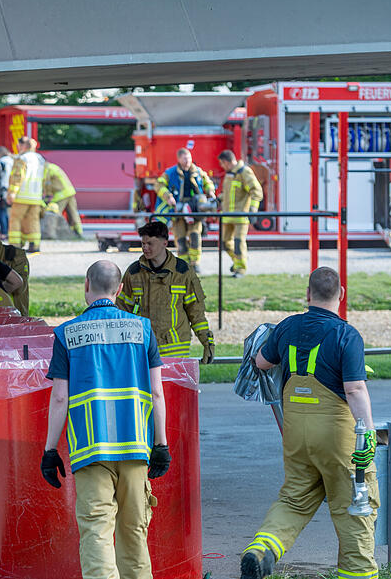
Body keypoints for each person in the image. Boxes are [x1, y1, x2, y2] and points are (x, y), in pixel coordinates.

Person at [239, 267, 377, 579]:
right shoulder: (347, 335)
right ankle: (358, 574)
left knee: (294, 499)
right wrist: (367, 433)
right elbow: (355, 389)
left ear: (307, 294)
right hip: (336, 436)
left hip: (296, 432)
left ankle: (261, 551)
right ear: (341, 295)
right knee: (354, 503)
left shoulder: (287, 327)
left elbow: (261, 361)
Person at [42, 260, 170, 579]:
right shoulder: (143, 329)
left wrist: (49, 451)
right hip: (136, 447)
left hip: (91, 450)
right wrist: (161, 444)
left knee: (97, 532)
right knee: (134, 534)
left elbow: (59, 397)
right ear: (120, 289)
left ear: (87, 284)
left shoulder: (67, 334)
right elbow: (156, 392)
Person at [116, 221, 214, 361]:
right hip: (143, 348)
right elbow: (122, 312)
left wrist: (207, 341)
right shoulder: (134, 273)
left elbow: (196, 312)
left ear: (164, 243)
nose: (145, 247)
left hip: (175, 349)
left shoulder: (182, 272)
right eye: (143, 243)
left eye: (150, 243)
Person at [154, 147, 215, 273]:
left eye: (189, 158)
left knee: (195, 236)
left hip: (194, 210)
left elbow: (208, 182)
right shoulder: (170, 173)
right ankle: (184, 265)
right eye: (185, 159)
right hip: (178, 211)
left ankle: (195, 263)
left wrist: (210, 191)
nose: (187, 161)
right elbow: (158, 185)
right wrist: (168, 197)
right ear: (179, 159)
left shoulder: (198, 172)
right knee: (180, 238)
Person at [217, 150, 263, 278]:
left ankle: (240, 269)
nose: (222, 166)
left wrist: (253, 209)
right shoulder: (229, 174)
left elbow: (256, 191)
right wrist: (219, 199)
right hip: (227, 216)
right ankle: (238, 261)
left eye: (222, 163)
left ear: (227, 162)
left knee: (238, 242)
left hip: (240, 216)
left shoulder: (244, 172)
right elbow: (228, 193)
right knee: (225, 243)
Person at [6, 136, 47, 254]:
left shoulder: (22, 158)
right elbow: (44, 178)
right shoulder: (40, 159)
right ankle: (35, 245)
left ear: (23, 146)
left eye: (19, 145)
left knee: (15, 220)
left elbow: (17, 176)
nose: (18, 148)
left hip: (21, 196)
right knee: (33, 221)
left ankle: (15, 246)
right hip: (36, 197)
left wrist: (12, 193)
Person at [43, 162, 83, 237]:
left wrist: (47, 197)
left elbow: (47, 183)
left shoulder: (47, 169)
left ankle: (54, 233)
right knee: (73, 213)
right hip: (70, 192)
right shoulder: (54, 167)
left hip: (61, 194)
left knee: (54, 213)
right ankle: (78, 232)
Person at [0, 145, 13, 236]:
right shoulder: (12, 161)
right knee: (6, 212)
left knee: (1, 211)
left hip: (2, 190)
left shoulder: (1, 162)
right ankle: (9, 231)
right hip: (11, 190)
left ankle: (4, 232)